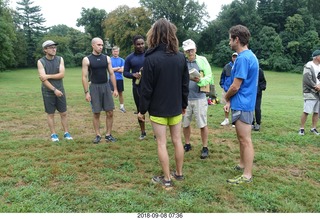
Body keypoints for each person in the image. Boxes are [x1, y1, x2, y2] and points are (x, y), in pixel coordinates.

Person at [138, 18, 189, 190]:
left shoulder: (150, 59)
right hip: (175, 107)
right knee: (177, 140)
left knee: (161, 143)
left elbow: (146, 89)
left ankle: (167, 179)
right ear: (171, 34)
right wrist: (183, 104)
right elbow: (184, 85)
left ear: (154, 35)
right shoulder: (181, 58)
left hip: (158, 109)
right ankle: (179, 174)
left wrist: (141, 110)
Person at [223, 25, 259, 185]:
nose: (229, 42)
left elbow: (236, 86)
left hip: (243, 105)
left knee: (245, 139)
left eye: (230, 38)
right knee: (241, 138)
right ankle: (242, 164)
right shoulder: (248, 56)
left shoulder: (243, 58)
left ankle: (247, 175)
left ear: (236, 39)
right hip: (242, 103)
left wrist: (226, 97)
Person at [81, 37, 119, 144]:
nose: (101, 47)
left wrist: (115, 88)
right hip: (94, 87)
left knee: (110, 112)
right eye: (98, 45)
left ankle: (108, 135)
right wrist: (86, 92)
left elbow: (111, 74)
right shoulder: (87, 59)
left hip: (106, 86)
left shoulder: (107, 58)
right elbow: (84, 77)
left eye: (102, 45)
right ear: (93, 45)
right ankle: (98, 135)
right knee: (96, 113)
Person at [181, 39, 213, 159]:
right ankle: (187, 144)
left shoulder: (202, 60)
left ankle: (205, 147)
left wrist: (200, 81)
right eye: (187, 50)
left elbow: (209, 76)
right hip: (185, 97)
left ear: (196, 49)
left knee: (202, 124)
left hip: (199, 97)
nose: (190, 52)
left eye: (192, 50)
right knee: (185, 123)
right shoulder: (182, 61)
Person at [37, 40, 73, 142]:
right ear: (45, 50)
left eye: (55, 47)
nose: (54, 49)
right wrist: (54, 89)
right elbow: (43, 80)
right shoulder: (41, 62)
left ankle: (66, 132)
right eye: (51, 47)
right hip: (48, 91)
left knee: (64, 113)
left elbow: (62, 74)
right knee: (50, 114)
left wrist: (48, 76)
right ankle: (53, 134)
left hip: (60, 90)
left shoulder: (60, 59)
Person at [123, 35, 147, 140]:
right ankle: (142, 132)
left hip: (151, 86)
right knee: (140, 110)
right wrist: (133, 75)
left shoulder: (150, 55)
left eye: (142, 43)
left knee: (154, 110)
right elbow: (125, 72)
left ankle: (156, 133)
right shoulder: (130, 58)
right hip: (137, 87)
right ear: (134, 45)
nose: (140, 46)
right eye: (138, 44)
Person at [298, 49, 320, 136]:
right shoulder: (309, 65)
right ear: (317, 57)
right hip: (310, 92)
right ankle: (302, 129)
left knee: (316, 112)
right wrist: (316, 87)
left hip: (318, 93)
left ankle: (313, 128)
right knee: (306, 111)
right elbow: (307, 79)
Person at [219, 52, 238, 126]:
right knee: (226, 105)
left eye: (236, 57)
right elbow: (222, 76)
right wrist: (223, 85)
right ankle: (226, 119)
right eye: (233, 56)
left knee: (234, 105)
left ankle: (234, 121)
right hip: (226, 89)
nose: (234, 58)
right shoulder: (227, 66)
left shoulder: (239, 66)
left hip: (235, 89)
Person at [109, 46, 126, 113]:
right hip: (111, 79)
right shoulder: (109, 60)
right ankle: (110, 106)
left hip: (119, 79)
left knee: (120, 93)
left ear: (118, 52)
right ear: (112, 52)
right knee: (110, 93)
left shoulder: (122, 60)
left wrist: (114, 69)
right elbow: (109, 70)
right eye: (114, 51)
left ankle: (122, 107)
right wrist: (117, 68)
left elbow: (122, 70)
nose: (116, 53)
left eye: (117, 51)